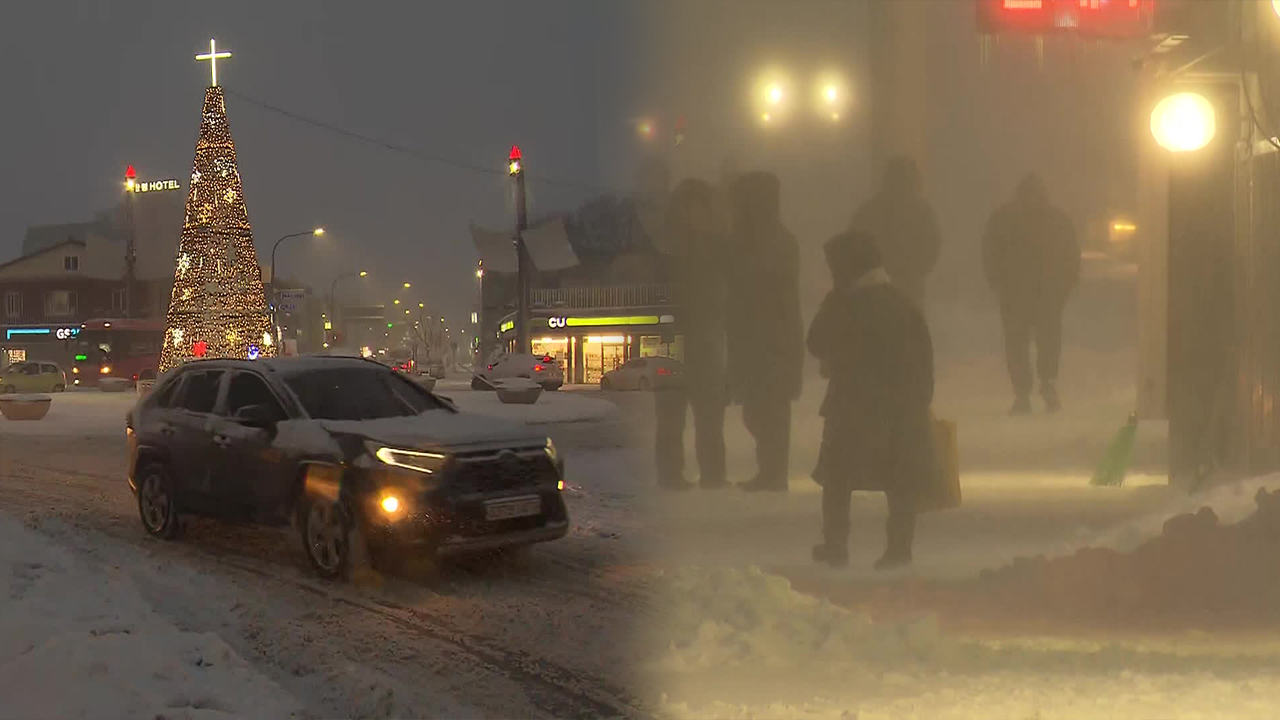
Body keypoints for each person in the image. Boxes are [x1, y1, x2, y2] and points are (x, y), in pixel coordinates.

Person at [808, 231, 935, 570]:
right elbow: (924, 358)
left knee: (838, 477)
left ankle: (836, 545)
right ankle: (899, 548)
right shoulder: (902, 303)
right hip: (901, 406)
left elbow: (816, 342)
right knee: (899, 479)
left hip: (853, 404)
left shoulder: (845, 304)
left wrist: (832, 301)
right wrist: (921, 402)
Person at [725, 171, 804, 492]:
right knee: (760, 407)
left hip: (771, 335)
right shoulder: (757, 237)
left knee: (768, 407)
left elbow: (767, 287)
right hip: (758, 334)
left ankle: (774, 473)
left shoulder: (771, 240)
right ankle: (771, 470)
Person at [982, 173, 1080, 415]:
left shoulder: (1003, 219)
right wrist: (1065, 284)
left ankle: (1024, 392)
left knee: (1018, 343)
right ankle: (1045, 384)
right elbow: (1072, 256)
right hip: (1044, 293)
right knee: (1045, 340)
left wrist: (997, 282)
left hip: (1018, 293)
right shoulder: (1057, 220)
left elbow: (990, 253)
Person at [654, 178, 728, 490]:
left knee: (707, 413)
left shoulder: (705, 245)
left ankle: (709, 474)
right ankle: (678, 475)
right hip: (680, 339)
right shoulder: (675, 248)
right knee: (678, 415)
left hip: (698, 338)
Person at [850, 156, 941, 308]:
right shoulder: (922, 212)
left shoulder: (868, 211)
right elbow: (933, 245)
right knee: (909, 328)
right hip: (907, 286)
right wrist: (914, 270)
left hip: (876, 289)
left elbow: (852, 245)